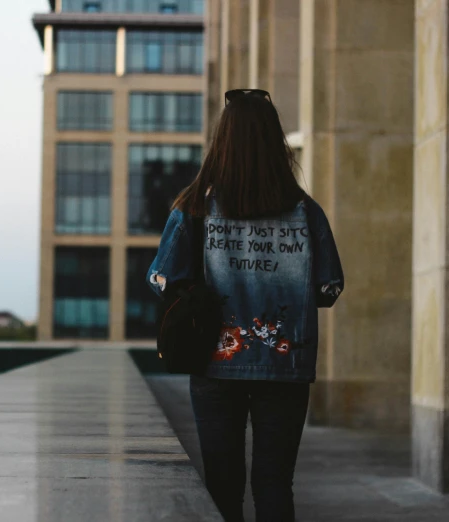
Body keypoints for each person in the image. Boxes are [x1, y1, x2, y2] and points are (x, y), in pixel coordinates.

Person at [146, 89, 344, 522]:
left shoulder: (195, 207)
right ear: (276, 146)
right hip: (285, 365)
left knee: (221, 483)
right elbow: (329, 288)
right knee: (275, 484)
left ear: (222, 143)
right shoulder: (306, 213)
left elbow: (160, 279)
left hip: (215, 364)